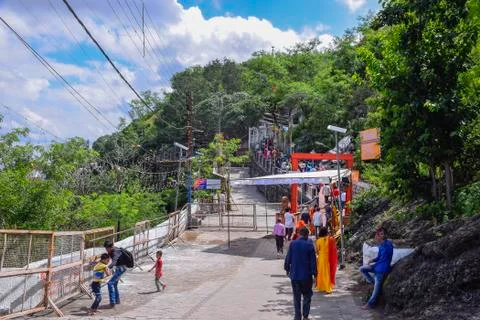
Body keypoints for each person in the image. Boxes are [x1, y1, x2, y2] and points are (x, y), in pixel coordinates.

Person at [284, 227, 317, 320]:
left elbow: (288, 258)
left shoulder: (293, 244)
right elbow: (313, 261)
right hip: (306, 276)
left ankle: (297, 316)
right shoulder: (309, 245)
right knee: (307, 295)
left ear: (299, 234)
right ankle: (305, 316)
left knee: (296, 297)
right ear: (307, 235)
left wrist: (287, 269)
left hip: (294, 275)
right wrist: (315, 274)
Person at [360, 227, 393, 309]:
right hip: (376, 265)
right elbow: (379, 257)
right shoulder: (380, 245)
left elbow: (388, 256)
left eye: (381, 234)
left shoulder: (388, 244)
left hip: (382, 269)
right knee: (362, 269)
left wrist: (380, 239)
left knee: (377, 288)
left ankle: (370, 304)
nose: (378, 236)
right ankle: (374, 283)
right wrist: (372, 260)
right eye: (378, 234)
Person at [104, 240, 129, 307]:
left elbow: (114, 262)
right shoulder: (111, 251)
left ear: (111, 247)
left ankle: (112, 302)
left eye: (107, 249)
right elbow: (106, 258)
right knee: (114, 284)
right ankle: (117, 300)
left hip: (121, 268)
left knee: (110, 283)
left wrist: (108, 267)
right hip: (119, 268)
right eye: (106, 249)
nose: (107, 250)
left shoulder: (115, 252)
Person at [314, 227, 337, 294]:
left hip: (321, 258)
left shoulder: (318, 241)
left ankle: (322, 286)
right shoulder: (331, 239)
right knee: (328, 272)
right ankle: (328, 287)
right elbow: (334, 249)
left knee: (321, 272)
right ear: (327, 232)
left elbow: (317, 251)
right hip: (329, 257)